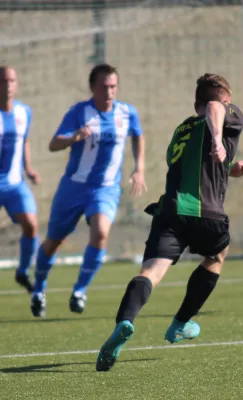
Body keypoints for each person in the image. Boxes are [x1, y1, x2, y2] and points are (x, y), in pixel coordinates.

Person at [95, 73, 243, 372]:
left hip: (170, 212)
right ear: (222, 99)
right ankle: (179, 324)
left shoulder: (182, 129)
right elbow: (216, 110)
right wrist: (217, 138)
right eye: (227, 101)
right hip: (206, 214)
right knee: (217, 256)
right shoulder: (224, 110)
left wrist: (233, 168)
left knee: (151, 271)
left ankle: (125, 321)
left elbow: (204, 165)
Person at [30, 63, 146, 317]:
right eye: (104, 86)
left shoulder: (127, 113)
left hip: (105, 188)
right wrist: (73, 138)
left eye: (113, 86)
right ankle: (38, 290)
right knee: (54, 242)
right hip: (73, 188)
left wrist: (139, 167)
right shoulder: (79, 112)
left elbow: (138, 136)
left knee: (101, 233)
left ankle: (80, 291)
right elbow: (53, 144)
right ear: (92, 87)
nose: (110, 91)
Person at [0, 66, 40, 293]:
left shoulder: (24, 112)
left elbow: (24, 140)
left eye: (12, 81)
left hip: (15, 182)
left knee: (31, 224)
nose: (8, 85)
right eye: (4, 81)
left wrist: (29, 168)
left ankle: (23, 271)